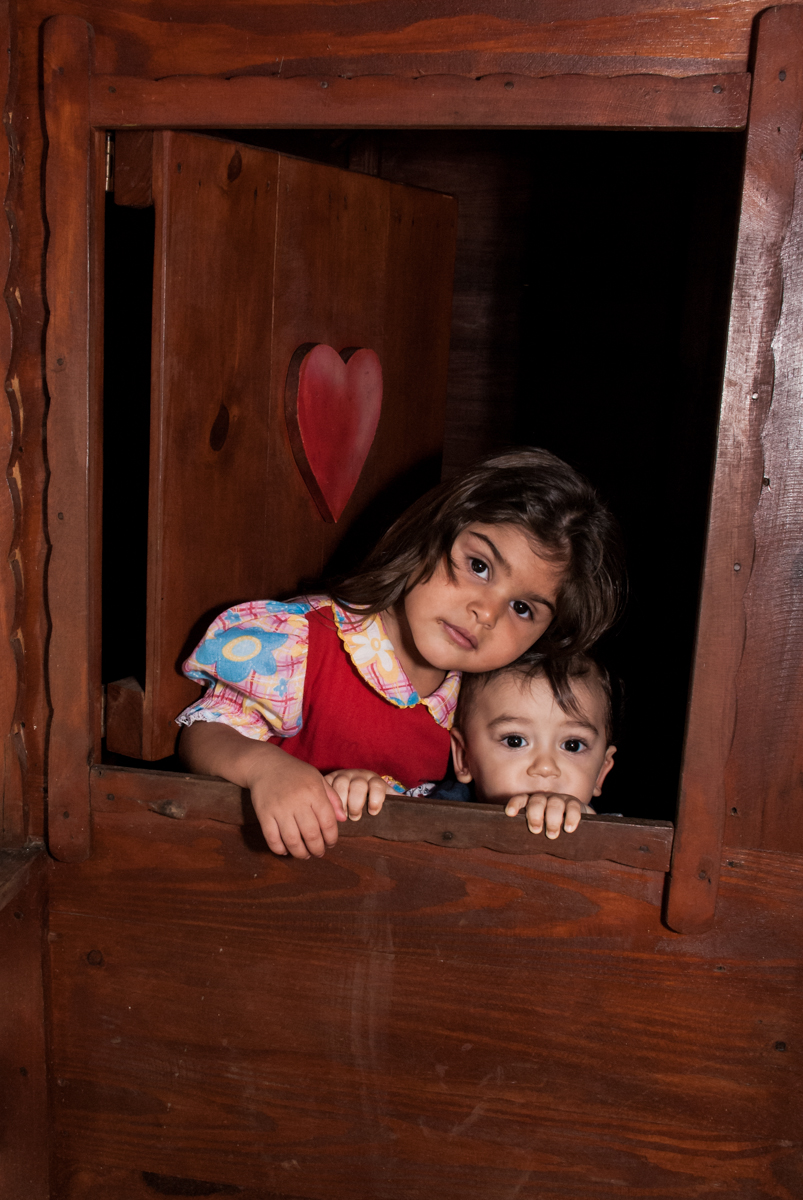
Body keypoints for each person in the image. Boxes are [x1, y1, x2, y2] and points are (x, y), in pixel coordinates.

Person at [178, 449, 624, 859]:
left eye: (522, 608)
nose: (486, 614)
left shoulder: (480, 703)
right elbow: (204, 731)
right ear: (431, 533)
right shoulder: (305, 641)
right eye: (479, 566)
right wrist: (266, 770)